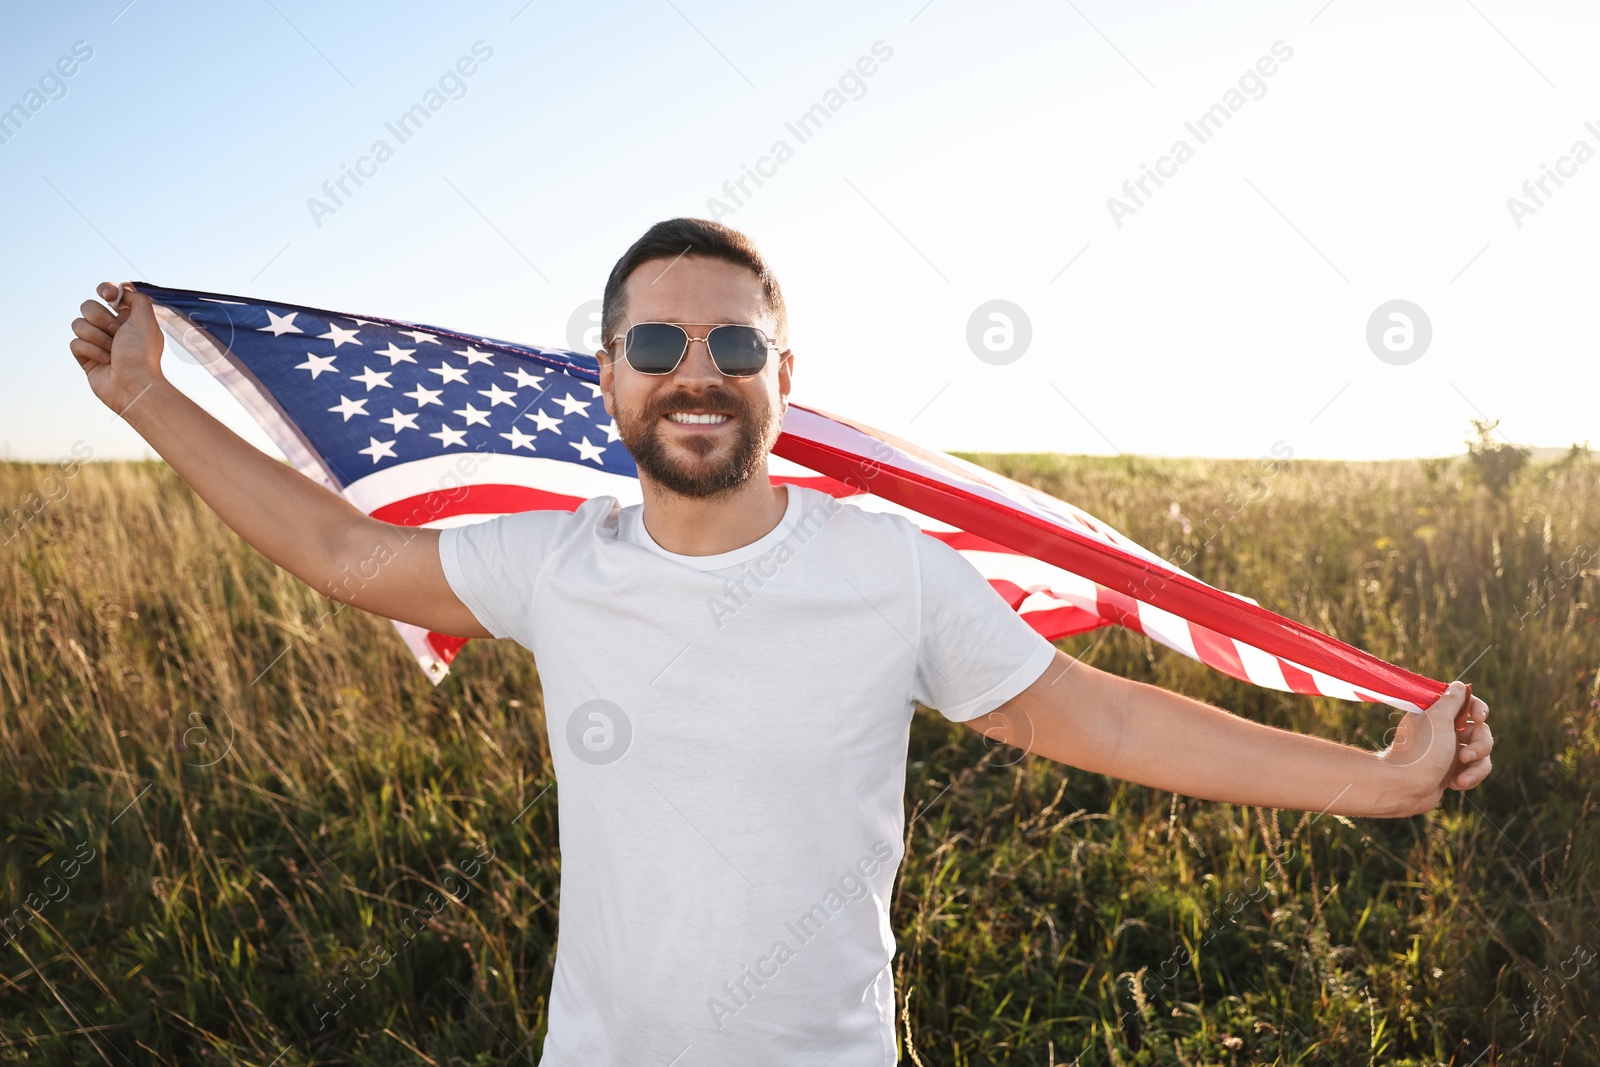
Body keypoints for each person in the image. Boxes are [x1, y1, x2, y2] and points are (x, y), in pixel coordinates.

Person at [69, 217, 1494, 1066]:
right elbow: (340, 553)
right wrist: (148, 400)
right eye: (661, 347)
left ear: (782, 380)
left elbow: (1103, 720)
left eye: (734, 349)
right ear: (609, 379)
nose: (700, 377)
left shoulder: (890, 572)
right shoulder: (555, 565)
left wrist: (1377, 776)